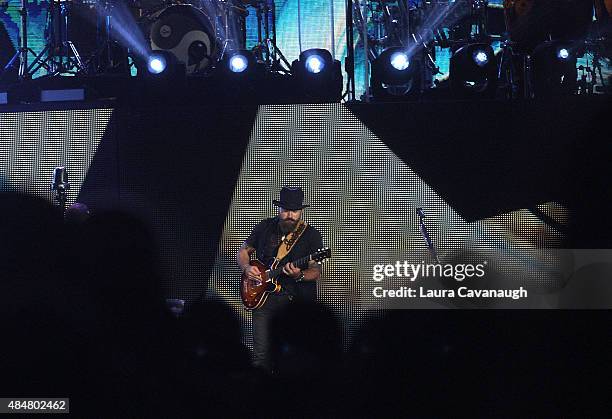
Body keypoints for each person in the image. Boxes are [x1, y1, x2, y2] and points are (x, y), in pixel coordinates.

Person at [236, 186, 323, 372]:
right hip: (262, 300)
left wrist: (299, 274)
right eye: (286, 211)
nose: (290, 215)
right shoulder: (264, 227)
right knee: (260, 356)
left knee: (291, 358)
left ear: (300, 211)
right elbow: (243, 251)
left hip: (293, 303)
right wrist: (246, 267)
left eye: (294, 211)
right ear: (279, 209)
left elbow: (315, 271)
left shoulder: (311, 235)